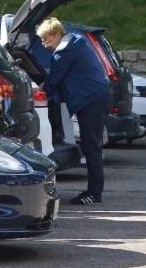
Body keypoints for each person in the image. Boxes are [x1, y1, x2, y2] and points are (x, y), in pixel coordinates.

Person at [37, 17, 112, 205]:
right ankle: (94, 190)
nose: (45, 45)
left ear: (56, 35)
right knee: (92, 146)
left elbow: (53, 82)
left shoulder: (63, 53)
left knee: (91, 147)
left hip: (91, 101)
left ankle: (94, 193)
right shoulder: (78, 42)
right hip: (99, 96)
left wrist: (37, 94)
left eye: (46, 40)